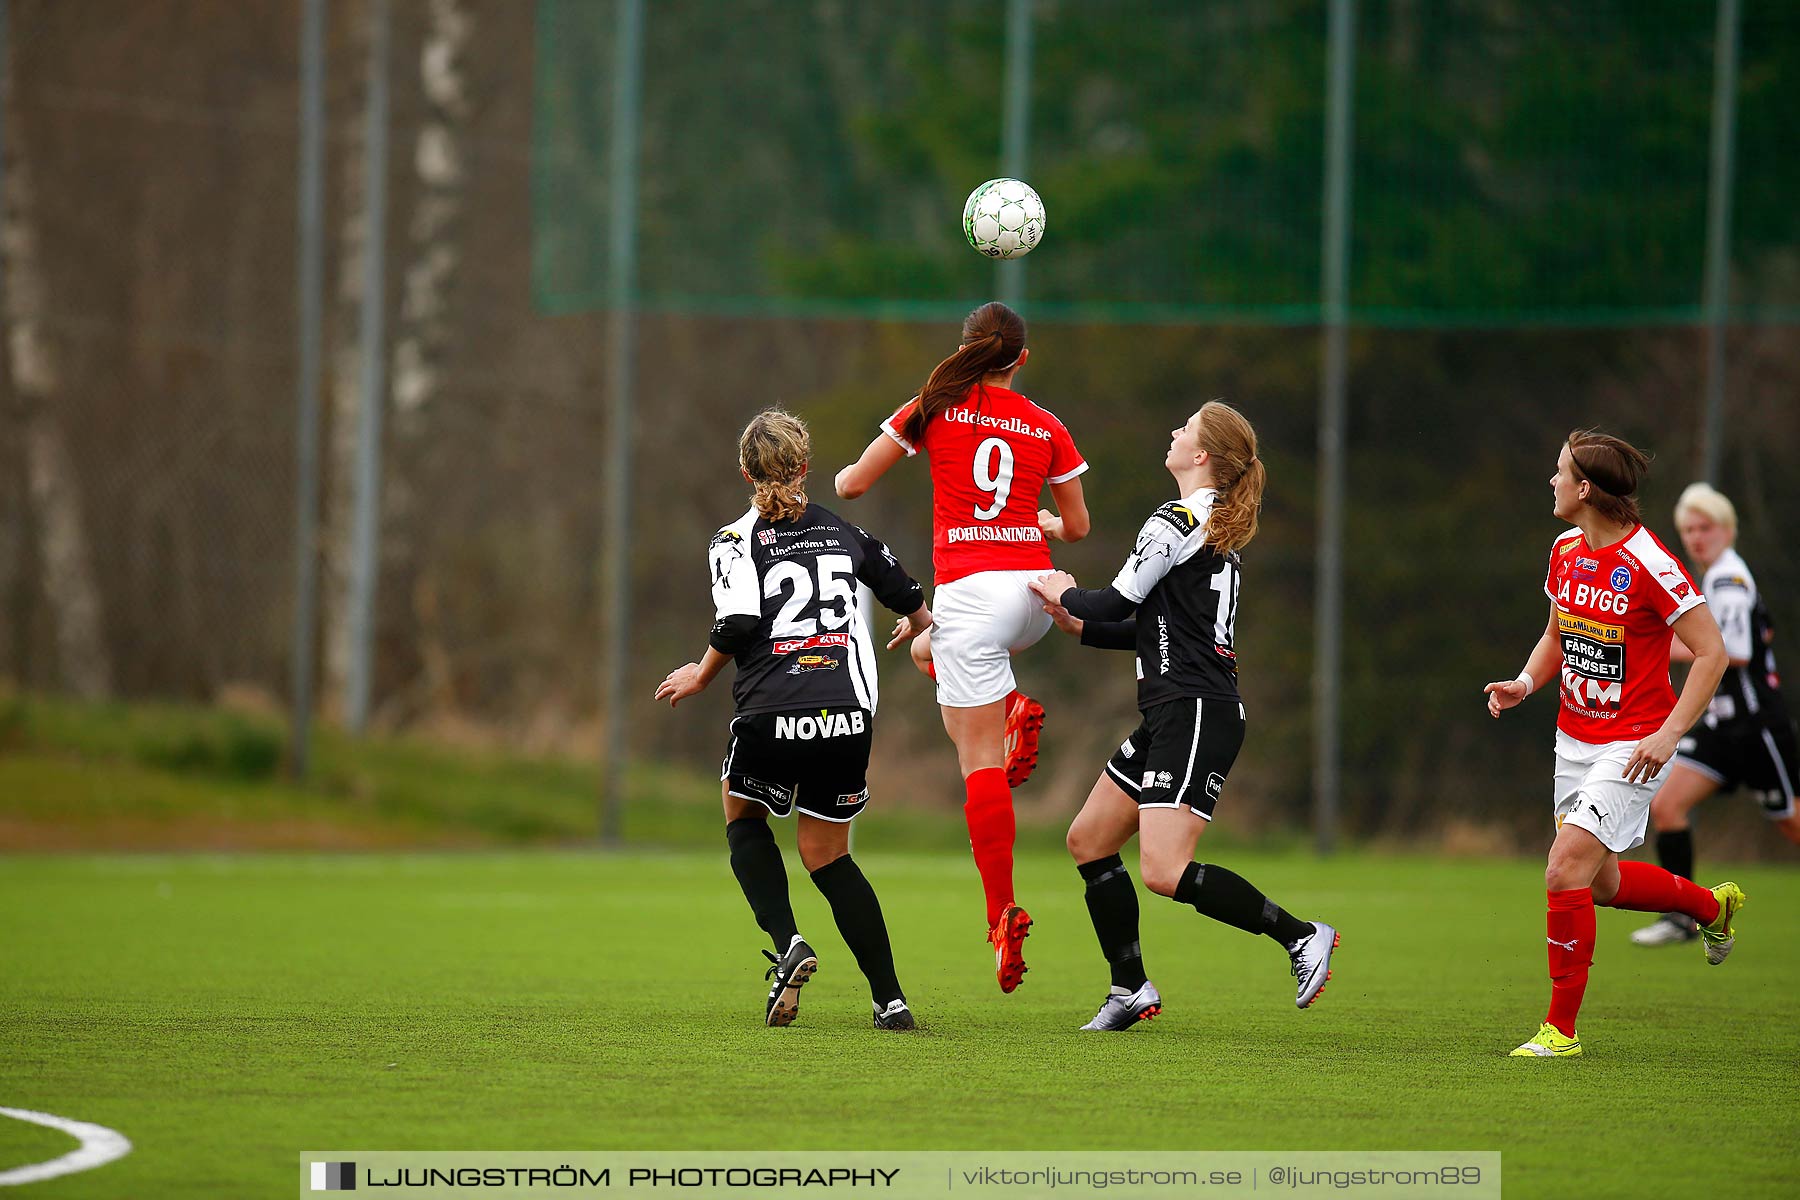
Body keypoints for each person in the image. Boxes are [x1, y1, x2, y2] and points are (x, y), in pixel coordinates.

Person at [1027, 401, 1340, 1030]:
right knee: (1088, 840)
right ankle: (1129, 988)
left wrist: (1064, 591)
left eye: (1185, 429)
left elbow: (1117, 599)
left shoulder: (1174, 521)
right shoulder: (1208, 522)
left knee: (1162, 871)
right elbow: (1158, 627)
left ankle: (1302, 935)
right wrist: (1079, 623)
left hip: (1195, 711)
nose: (1172, 431)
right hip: (1177, 709)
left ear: (1201, 456)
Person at [835, 300, 1090, 994]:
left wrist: (839, 478)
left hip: (973, 597)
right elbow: (1078, 525)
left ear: (966, 348)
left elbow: (854, 482)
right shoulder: (1047, 424)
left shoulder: (933, 403)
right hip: (1038, 596)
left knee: (976, 761)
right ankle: (1006, 703)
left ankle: (1000, 912)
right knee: (925, 648)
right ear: (1022, 359)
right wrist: (1038, 521)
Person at [656, 409, 931, 1031]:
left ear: (745, 472)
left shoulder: (734, 540)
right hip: (847, 712)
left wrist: (700, 675)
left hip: (772, 707)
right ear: (805, 467)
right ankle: (890, 1000)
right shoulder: (844, 532)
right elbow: (911, 595)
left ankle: (787, 943)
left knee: (741, 812)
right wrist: (917, 632)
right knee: (828, 855)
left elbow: (739, 623)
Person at [1484, 429, 1744, 1059]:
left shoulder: (1652, 564)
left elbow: (1713, 654)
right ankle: (1711, 906)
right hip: (1572, 741)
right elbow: (1558, 632)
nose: (1550, 481)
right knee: (1599, 884)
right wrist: (1525, 681)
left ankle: (1560, 1031)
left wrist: (1669, 732)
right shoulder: (1566, 549)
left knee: (1562, 868)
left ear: (1584, 489)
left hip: (1632, 745)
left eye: (1559, 472)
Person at [1632, 483, 1800, 947]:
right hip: (1723, 728)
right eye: (1688, 529)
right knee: (1667, 804)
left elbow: (1735, 651)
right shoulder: (1712, 577)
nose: (1695, 537)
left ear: (1727, 529)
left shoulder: (1728, 579)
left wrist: (1658, 646)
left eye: (1705, 527)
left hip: (1757, 727)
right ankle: (1683, 917)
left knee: (1791, 822)